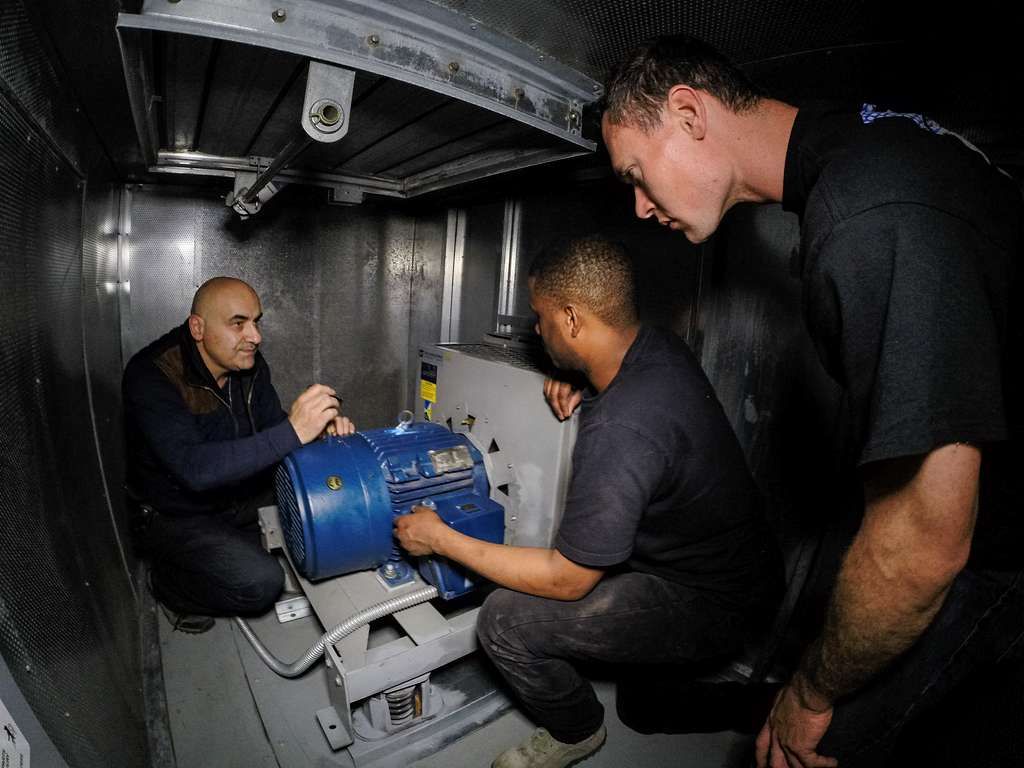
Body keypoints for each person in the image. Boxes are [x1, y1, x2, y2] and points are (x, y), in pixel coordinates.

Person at [581, 33, 1024, 768]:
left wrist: (812, 693)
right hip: (981, 531)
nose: (639, 207)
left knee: (797, 749)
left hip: (991, 556)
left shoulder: (866, 216)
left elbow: (923, 544)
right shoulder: (867, 148)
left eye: (636, 173)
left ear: (688, 113)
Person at [396, 237, 782, 768]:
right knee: (643, 709)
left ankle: (577, 730)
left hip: (712, 599)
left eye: (542, 317)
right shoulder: (656, 348)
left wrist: (441, 538)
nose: (537, 330)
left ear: (573, 319)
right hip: (737, 564)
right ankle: (763, 705)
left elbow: (567, 580)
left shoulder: (621, 428)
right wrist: (578, 374)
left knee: (503, 621)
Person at [123, 276, 354, 632]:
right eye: (238, 323)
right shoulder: (152, 375)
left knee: (329, 496)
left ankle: (241, 541)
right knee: (261, 583)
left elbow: (272, 427)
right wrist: (294, 431)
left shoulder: (248, 365)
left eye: (256, 322)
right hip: (177, 513)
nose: (255, 337)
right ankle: (168, 584)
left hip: (238, 493)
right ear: (198, 328)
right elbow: (194, 469)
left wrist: (318, 433)